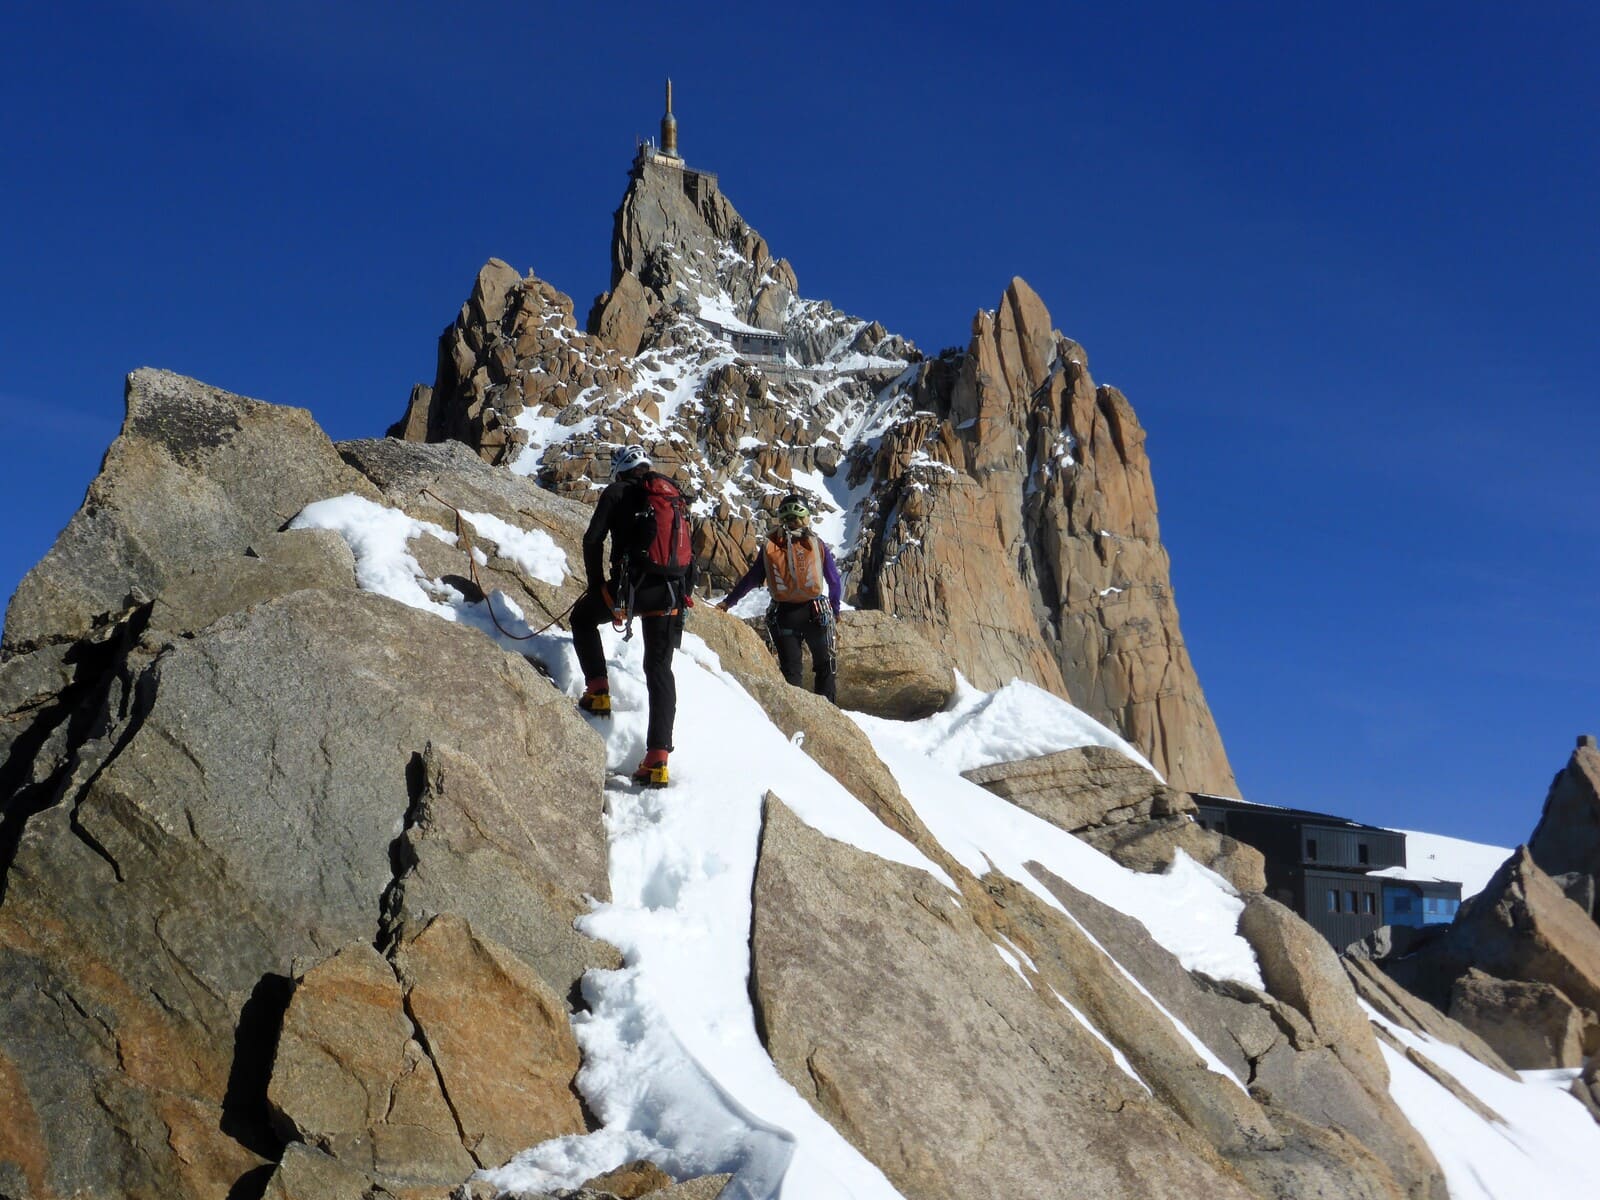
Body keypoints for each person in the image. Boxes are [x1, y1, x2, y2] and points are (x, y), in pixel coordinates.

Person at [572, 444, 693, 787]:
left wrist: (597, 585)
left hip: (631, 589)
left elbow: (592, 540)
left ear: (619, 470)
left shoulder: (617, 492)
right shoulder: (672, 496)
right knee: (658, 669)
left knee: (582, 618)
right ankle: (657, 760)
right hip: (670, 592)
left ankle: (597, 690)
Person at [717, 492, 843, 703]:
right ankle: (829, 714)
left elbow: (751, 579)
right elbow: (834, 581)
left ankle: (794, 720)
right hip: (816, 613)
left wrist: (728, 603)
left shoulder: (770, 546)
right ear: (805, 517)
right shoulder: (816, 544)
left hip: (784, 615)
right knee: (824, 667)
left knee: (791, 672)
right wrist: (835, 609)